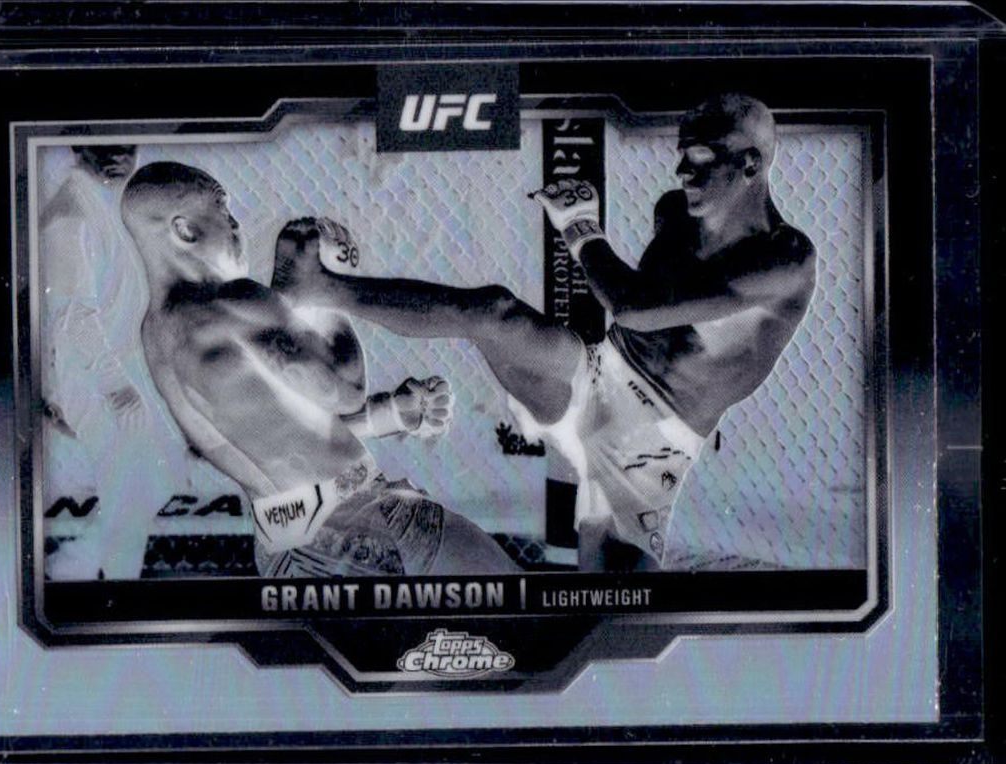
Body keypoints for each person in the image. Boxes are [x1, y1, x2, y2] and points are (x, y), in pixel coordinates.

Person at [277, 93, 817, 570]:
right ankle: (317, 286)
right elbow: (638, 319)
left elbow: (633, 306)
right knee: (490, 310)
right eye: (681, 153)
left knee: (613, 616)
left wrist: (580, 227)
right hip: (597, 374)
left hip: (653, 449)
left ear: (749, 164)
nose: (681, 170)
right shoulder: (674, 213)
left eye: (698, 156)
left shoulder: (786, 261)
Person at [119, 161, 518, 577]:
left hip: (280, 546)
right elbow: (346, 388)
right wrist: (324, 287)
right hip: (361, 520)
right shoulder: (233, 300)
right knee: (515, 597)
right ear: (185, 230)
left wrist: (391, 413)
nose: (236, 225)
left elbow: (274, 434)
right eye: (223, 209)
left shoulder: (157, 334)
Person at [39, 144, 186, 580]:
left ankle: (80, 568)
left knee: (158, 477)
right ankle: (105, 582)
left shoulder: (107, 202)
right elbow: (73, 318)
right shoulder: (70, 215)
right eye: (106, 144)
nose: (121, 153)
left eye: (127, 144)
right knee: (134, 489)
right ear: (80, 142)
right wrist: (116, 390)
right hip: (93, 378)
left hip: (122, 373)